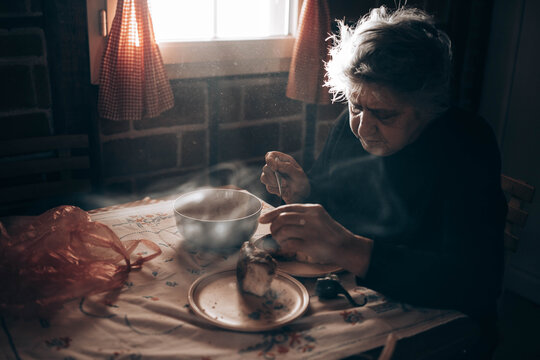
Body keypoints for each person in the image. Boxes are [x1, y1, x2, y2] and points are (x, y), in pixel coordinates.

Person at [259, 6, 507, 358]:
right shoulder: (351, 129)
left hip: (438, 329)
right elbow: (339, 199)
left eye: (386, 114)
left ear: (429, 107)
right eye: (355, 106)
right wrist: (306, 191)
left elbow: (474, 284)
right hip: (354, 297)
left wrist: (349, 248)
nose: (362, 127)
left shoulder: (466, 146)